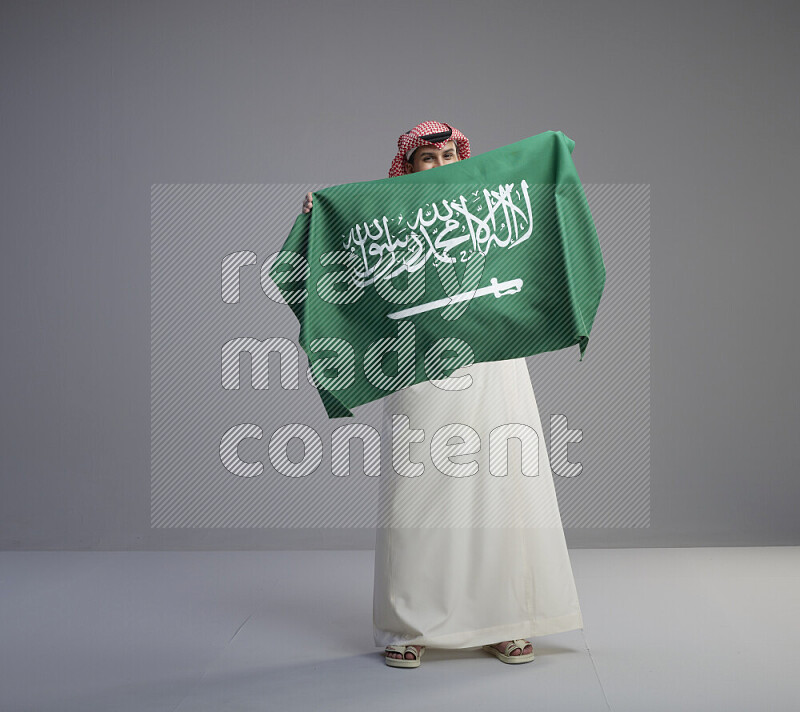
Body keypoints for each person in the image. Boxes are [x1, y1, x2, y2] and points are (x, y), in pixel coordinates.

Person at [301, 121, 583, 668]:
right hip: (417, 362)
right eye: (427, 157)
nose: (441, 163)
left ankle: (504, 621)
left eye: (451, 153)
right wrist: (323, 215)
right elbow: (351, 254)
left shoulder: (487, 204)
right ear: (406, 166)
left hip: (495, 359)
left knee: (502, 487)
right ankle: (409, 625)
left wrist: (551, 159)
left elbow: (536, 227)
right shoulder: (392, 220)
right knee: (419, 494)